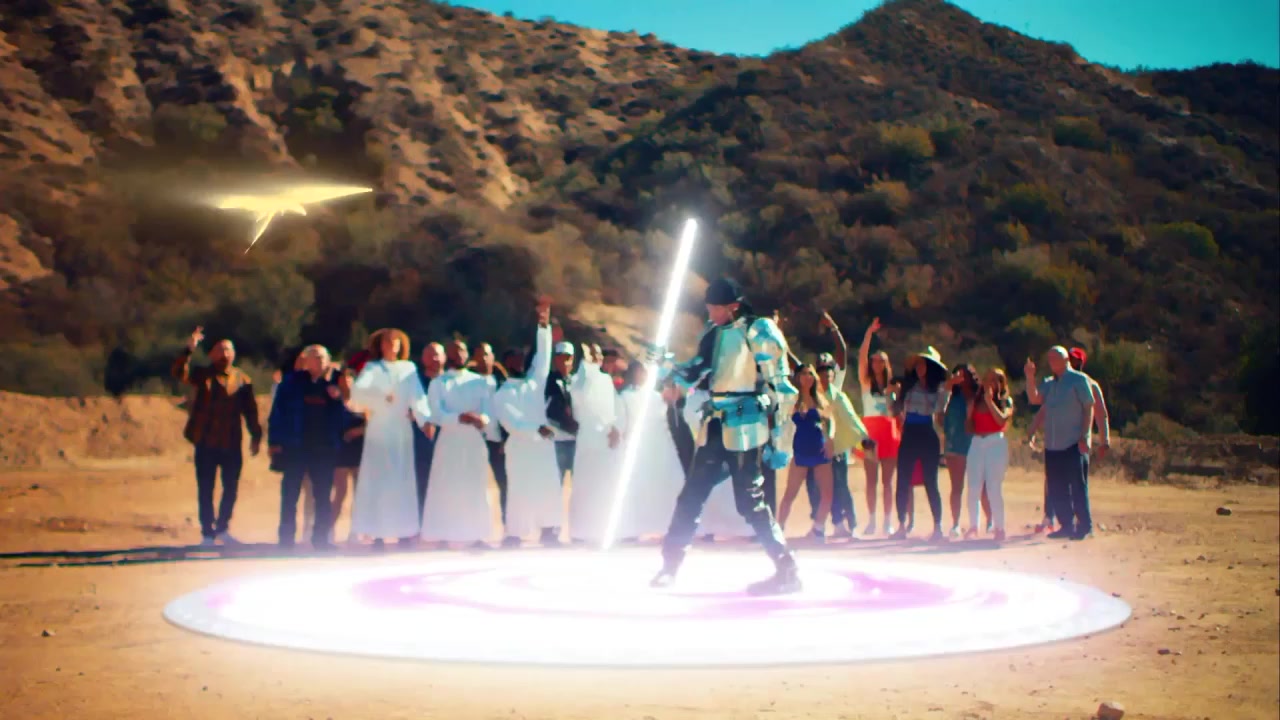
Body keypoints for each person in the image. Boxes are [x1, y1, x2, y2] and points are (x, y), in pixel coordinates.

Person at [648, 277, 801, 596]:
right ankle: (669, 566)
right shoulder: (714, 332)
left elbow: (782, 386)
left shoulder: (758, 330)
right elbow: (698, 370)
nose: (711, 314)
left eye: (715, 308)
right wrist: (667, 366)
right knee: (692, 494)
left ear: (732, 307)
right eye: (709, 308)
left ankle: (786, 568)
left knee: (750, 501)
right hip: (716, 422)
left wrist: (781, 437)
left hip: (746, 421)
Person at [171, 326, 262, 547]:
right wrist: (188, 350)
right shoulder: (202, 375)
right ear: (211, 354)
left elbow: (250, 411)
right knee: (206, 488)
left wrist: (256, 436)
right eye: (220, 350)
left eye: (228, 350)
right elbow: (179, 374)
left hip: (231, 442)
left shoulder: (242, 380)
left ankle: (223, 528)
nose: (225, 354)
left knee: (231, 487)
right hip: (206, 441)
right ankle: (207, 533)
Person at [348, 329, 432, 546]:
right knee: (379, 479)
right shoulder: (373, 368)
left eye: (396, 342)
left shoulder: (408, 368)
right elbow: (358, 392)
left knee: (401, 479)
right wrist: (381, 397)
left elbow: (418, 397)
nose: (392, 345)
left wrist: (425, 420)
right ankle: (376, 533)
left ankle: (404, 532)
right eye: (388, 342)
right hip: (379, 429)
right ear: (381, 345)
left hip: (400, 430)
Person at [491, 300, 561, 547]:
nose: (519, 363)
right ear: (505, 364)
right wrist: (535, 429)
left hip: (542, 448)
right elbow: (511, 422)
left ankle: (549, 531)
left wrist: (543, 327)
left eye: (521, 359)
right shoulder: (502, 393)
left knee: (548, 487)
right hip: (520, 448)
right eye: (513, 360)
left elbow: (543, 357)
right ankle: (515, 534)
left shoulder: (534, 383)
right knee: (520, 491)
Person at [267, 345, 347, 550]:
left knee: (322, 496)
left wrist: (337, 398)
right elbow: (277, 414)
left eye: (322, 358)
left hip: (323, 449)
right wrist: (275, 442)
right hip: (295, 447)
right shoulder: (290, 383)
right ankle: (286, 540)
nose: (319, 361)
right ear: (306, 360)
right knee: (290, 494)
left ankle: (320, 540)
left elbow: (343, 418)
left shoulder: (333, 386)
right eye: (314, 357)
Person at [1025, 347, 1111, 533]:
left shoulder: (1082, 381)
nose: (1052, 362)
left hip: (1074, 443)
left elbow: (1095, 411)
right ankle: (1065, 525)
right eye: (1050, 359)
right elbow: (1039, 403)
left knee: (1077, 486)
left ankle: (1084, 526)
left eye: (1056, 359)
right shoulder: (1050, 384)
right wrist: (1030, 377)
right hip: (1053, 444)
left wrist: (1097, 439)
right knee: (1056, 487)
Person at [422, 338, 497, 547]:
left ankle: (477, 535)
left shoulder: (480, 382)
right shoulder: (439, 383)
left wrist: (481, 419)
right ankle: (444, 535)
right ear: (448, 355)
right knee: (447, 488)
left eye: (462, 350)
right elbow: (436, 414)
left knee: (475, 487)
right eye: (454, 351)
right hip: (449, 442)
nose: (459, 355)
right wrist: (460, 417)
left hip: (474, 442)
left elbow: (488, 412)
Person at [618, 364, 687, 538]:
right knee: (640, 487)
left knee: (667, 484)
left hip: (660, 445)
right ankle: (639, 527)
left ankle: (671, 525)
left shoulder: (657, 397)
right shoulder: (626, 396)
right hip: (640, 447)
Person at [567, 343, 626, 544]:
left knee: (604, 486)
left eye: (599, 354)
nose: (597, 358)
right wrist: (587, 367)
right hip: (589, 439)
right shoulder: (579, 379)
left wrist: (616, 429)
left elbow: (614, 410)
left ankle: (602, 530)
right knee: (585, 486)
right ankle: (581, 532)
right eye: (593, 354)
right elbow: (582, 402)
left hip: (606, 442)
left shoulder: (606, 380)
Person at [891, 347, 950, 541]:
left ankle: (937, 526)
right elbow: (895, 409)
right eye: (918, 364)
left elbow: (939, 411)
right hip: (909, 433)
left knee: (931, 481)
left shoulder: (938, 389)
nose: (919, 368)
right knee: (902, 480)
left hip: (927, 433)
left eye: (923, 364)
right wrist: (893, 395)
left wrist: (946, 390)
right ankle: (901, 525)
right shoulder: (908, 386)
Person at [776, 363, 836, 539]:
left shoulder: (820, 398)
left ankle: (818, 528)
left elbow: (830, 420)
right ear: (798, 377)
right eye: (803, 373)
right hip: (800, 449)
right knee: (790, 493)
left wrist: (830, 438)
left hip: (819, 448)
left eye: (810, 373)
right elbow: (783, 422)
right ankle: (778, 528)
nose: (807, 377)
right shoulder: (792, 398)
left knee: (827, 493)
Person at [856, 318, 900, 536]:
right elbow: (861, 357)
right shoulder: (866, 383)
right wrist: (868, 334)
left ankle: (888, 521)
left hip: (889, 432)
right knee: (871, 479)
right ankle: (872, 519)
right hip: (871, 432)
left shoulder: (892, 386)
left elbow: (896, 410)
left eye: (881, 361)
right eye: (874, 361)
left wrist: (895, 395)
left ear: (886, 364)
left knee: (888, 481)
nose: (876, 364)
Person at [965, 368, 1013, 541]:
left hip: (995, 443)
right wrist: (969, 415)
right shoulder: (976, 401)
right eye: (988, 379)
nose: (990, 383)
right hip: (977, 443)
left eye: (995, 380)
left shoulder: (1006, 401)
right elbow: (969, 428)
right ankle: (973, 526)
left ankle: (999, 527)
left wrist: (990, 402)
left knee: (993, 487)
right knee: (973, 487)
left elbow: (1001, 420)